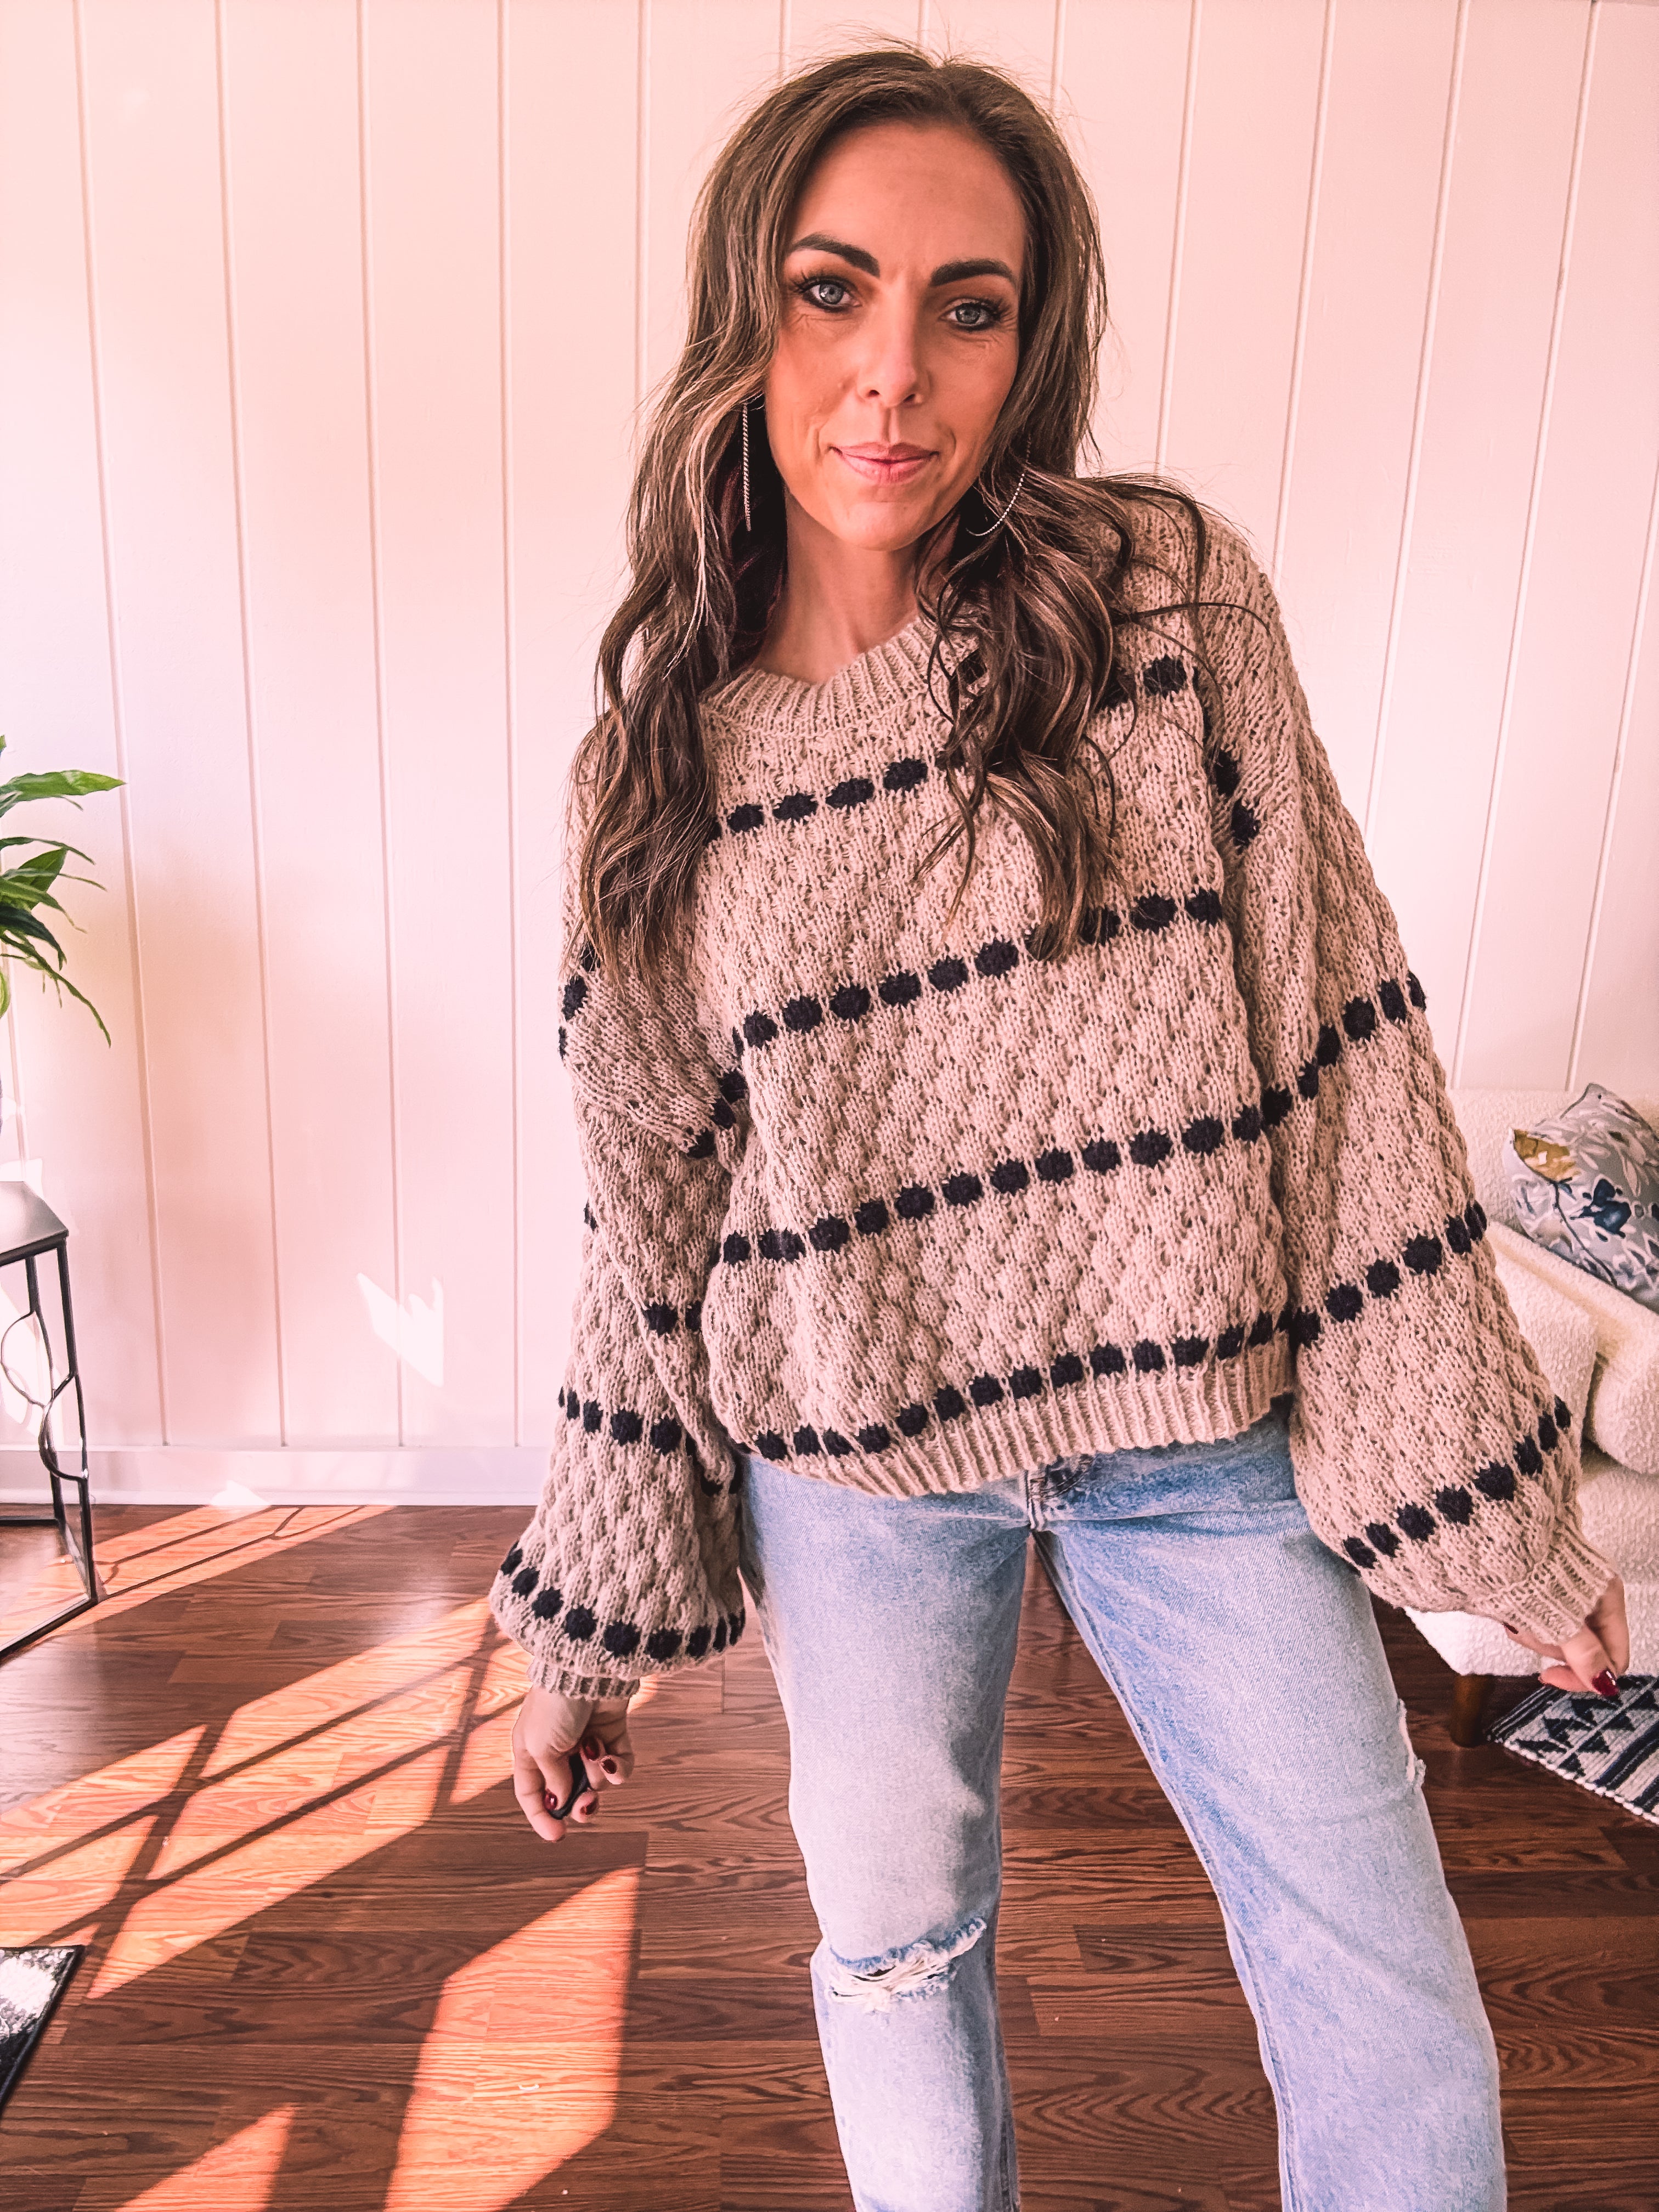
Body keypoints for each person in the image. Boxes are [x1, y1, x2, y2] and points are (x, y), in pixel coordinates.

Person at [488, 45, 1629, 2212]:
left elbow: (1344, 1058)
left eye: (970, 307)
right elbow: (653, 1234)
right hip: (856, 1467)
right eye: (834, 290)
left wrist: (1495, 1521)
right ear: (747, 313)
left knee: (1384, 1981)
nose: (894, 373)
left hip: (1201, 1441)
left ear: (1036, 343)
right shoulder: (659, 772)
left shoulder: (1161, 609)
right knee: (895, 1953)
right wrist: (587, 1638)